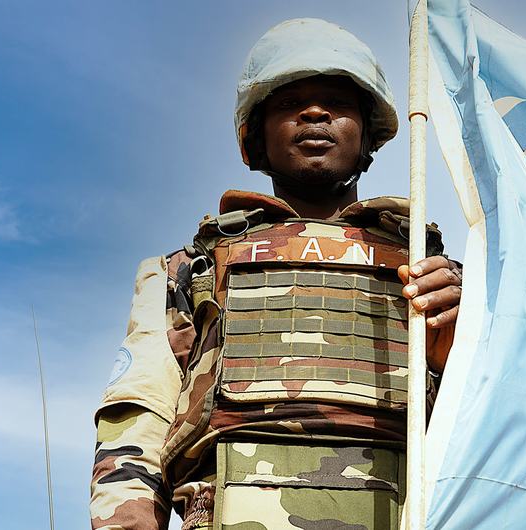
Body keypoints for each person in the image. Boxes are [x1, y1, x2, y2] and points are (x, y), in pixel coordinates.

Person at [90, 19, 462, 530]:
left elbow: (504, 435)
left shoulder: (437, 277)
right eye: (289, 104)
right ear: (256, 138)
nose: (314, 113)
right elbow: (136, 421)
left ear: (367, 134)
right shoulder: (188, 270)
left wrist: (456, 353)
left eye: (337, 102)